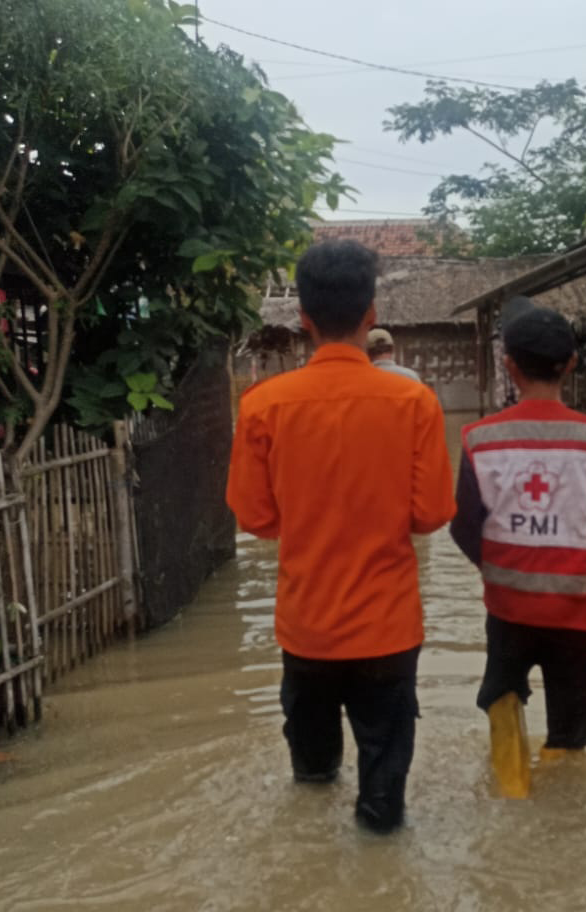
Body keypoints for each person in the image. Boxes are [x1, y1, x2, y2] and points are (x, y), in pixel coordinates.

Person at [226, 239, 456, 834]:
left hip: (306, 632)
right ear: (371, 312)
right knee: (383, 804)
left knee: (311, 781)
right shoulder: (414, 401)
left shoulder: (262, 406)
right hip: (388, 630)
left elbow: (254, 518)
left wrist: (307, 519)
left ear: (302, 319)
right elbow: (432, 514)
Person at [450, 304, 586, 798]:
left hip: (508, 608)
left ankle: (511, 791)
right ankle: (562, 815)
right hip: (578, 612)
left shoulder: (479, 439)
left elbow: (464, 527)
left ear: (510, 365)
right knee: (570, 720)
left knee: (502, 695)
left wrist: (501, 569)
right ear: (570, 364)